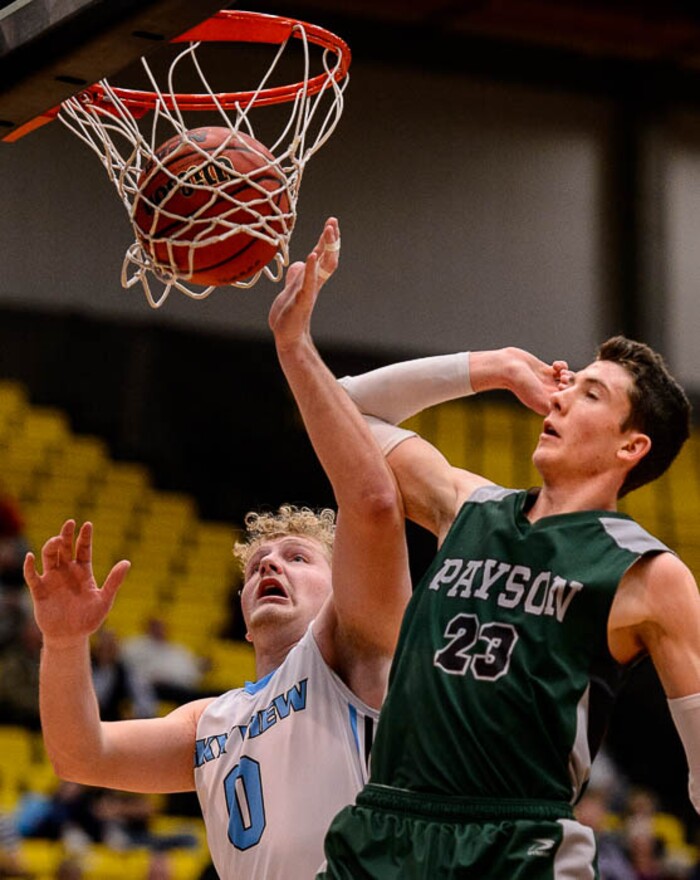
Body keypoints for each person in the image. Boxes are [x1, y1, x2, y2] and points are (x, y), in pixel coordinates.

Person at [22, 218, 412, 880]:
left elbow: (373, 504)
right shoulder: (211, 721)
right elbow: (79, 756)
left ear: (339, 582)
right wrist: (63, 645)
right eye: (260, 562)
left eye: (296, 558)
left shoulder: (359, 652)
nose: (270, 565)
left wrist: (295, 350)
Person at [317, 338, 700, 878]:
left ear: (630, 447)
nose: (560, 399)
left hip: (518, 845)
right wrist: (488, 368)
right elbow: (338, 405)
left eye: (591, 394)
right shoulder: (468, 507)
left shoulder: (647, 573)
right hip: (384, 827)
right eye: (569, 385)